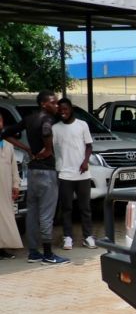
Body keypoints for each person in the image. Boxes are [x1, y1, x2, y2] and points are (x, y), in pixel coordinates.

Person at [1, 91, 69, 264]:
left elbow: (5, 133)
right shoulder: (48, 120)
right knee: (47, 214)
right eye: (53, 103)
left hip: (33, 172)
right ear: (43, 104)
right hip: (47, 171)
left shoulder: (30, 119)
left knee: (32, 213)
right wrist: (47, 149)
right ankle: (48, 254)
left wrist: (26, 148)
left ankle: (33, 252)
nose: (56, 106)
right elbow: (46, 131)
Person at [53, 98, 96, 250]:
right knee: (67, 208)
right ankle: (67, 237)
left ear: (71, 109)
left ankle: (88, 236)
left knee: (85, 207)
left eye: (65, 109)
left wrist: (85, 161)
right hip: (65, 173)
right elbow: (51, 148)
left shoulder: (82, 125)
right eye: (60, 110)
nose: (63, 112)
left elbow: (89, 146)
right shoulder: (55, 128)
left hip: (83, 174)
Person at [0, 114, 23, 258]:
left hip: (5, 186)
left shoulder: (8, 144)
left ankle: (3, 248)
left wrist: (16, 185)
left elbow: (14, 167)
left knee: (6, 217)